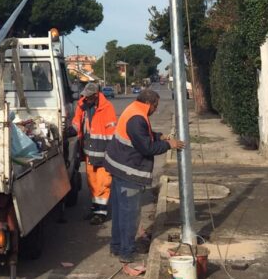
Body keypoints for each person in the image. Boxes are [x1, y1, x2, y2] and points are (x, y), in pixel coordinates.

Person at [104, 88, 184, 269]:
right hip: (128, 172)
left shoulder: (134, 109)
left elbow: (140, 136)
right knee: (129, 215)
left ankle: (116, 247)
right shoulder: (138, 118)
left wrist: (157, 136)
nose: (155, 110)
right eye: (155, 106)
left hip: (118, 167)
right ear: (149, 103)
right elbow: (146, 148)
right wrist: (168, 144)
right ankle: (127, 252)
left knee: (119, 213)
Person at [72, 81, 118, 225]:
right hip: (89, 151)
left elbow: (111, 132)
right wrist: (71, 131)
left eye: (89, 97)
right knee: (92, 182)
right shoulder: (83, 106)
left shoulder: (107, 108)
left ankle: (101, 212)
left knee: (103, 183)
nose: (87, 99)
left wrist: (111, 153)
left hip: (103, 152)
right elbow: (77, 122)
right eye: (85, 97)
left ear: (96, 95)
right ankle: (95, 208)